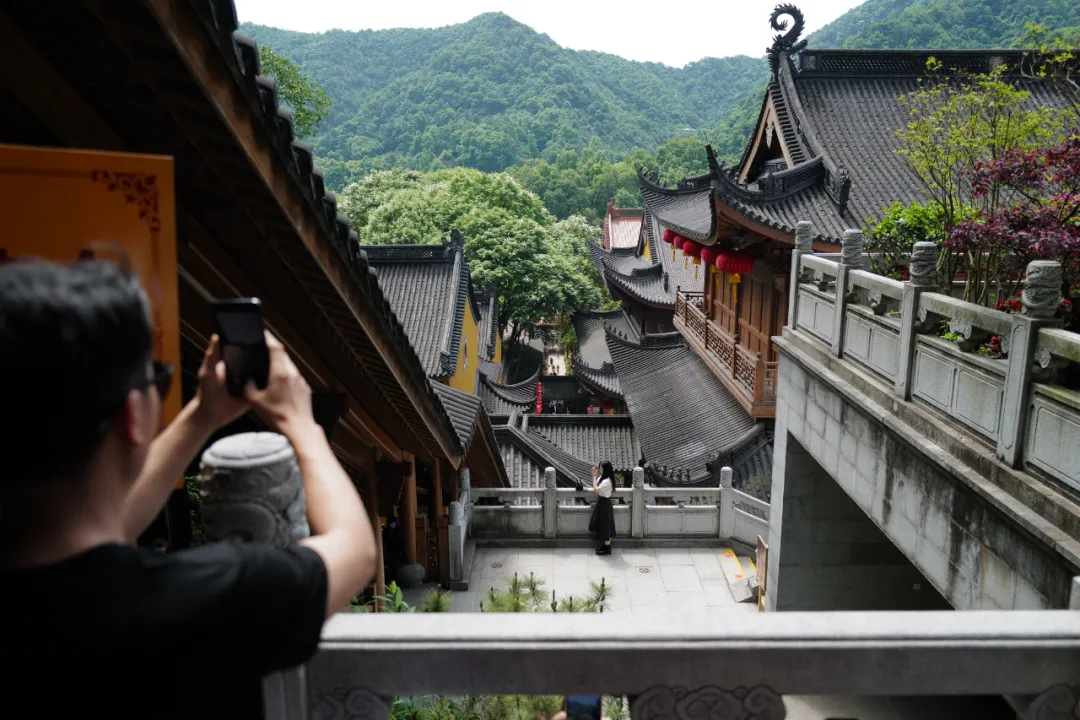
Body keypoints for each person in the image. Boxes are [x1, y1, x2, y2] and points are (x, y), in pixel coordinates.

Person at [0, 259, 377, 718]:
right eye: (157, 377)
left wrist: (203, 414)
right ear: (131, 415)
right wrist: (299, 420)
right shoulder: (204, 597)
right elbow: (355, 550)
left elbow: (101, 526)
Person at [588, 461, 616, 556]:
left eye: (602, 468)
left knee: (606, 525)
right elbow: (597, 490)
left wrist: (594, 476)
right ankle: (605, 546)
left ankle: (607, 548)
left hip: (605, 503)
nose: (600, 470)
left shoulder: (607, 481)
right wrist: (596, 477)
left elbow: (596, 490)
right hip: (601, 502)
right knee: (601, 523)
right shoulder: (603, 478)